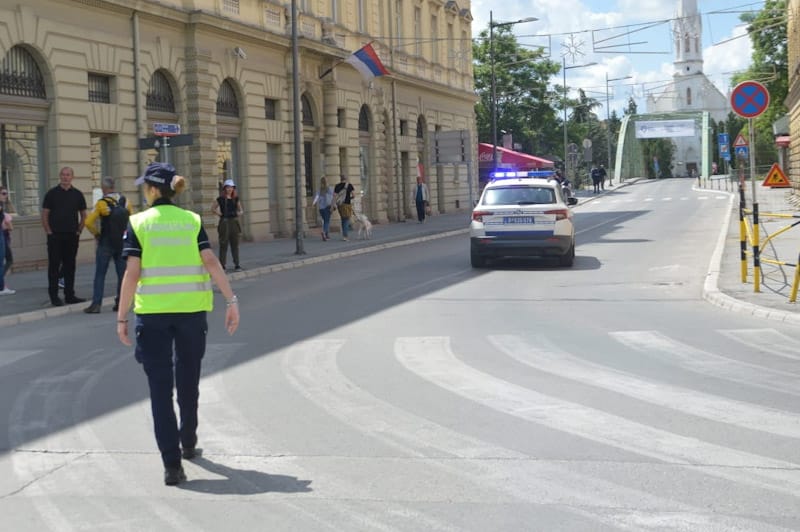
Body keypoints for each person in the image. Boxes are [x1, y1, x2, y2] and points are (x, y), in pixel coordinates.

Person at [116, 162, 240, 486]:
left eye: (146, 185)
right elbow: (210, 261)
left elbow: (132, 273)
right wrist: (231, 301)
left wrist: (121, 316)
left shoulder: (138, 223)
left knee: (160, 390)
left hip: (153, 316)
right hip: (191, 314)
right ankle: (188, 441)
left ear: (153, 189)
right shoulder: (192, 221)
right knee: (188, 380)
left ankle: (172, 466)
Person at [83, 177, 132, 314]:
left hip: (106, 241)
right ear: (114, 186)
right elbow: (132, 221)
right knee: (122, 275)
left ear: (104, 188)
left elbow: (88, 222)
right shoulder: (125, 201)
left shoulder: (102, 204)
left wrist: (97, 234)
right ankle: (120, 303)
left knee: (100, 274)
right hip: (122, 242)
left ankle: (96, 304)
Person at [41, 166, 87, 306]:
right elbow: (45, 214)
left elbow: (84, 214)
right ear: (60, 176)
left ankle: (69, 295)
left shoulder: (78, 194)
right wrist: (48, 231)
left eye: (68, 175)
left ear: (72, 177)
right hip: (55, 235)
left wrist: (79, 230)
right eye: (63, 174)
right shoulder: (51, 194)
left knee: (70, 266)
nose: (65, 177)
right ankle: (54, 296)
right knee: (54, 267)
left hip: (72, 235)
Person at [212, 179, 244, 271]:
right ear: (225, 188)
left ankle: (237, 264)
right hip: (224, 222)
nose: (229, 189)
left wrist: (238, 213)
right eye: (228, 187)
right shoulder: (220, 199)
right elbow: (213, 208)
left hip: (234, 221)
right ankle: (222, 265)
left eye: (231, 187)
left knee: (235, 244)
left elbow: (241, 210)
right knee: (223, 244)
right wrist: (220, 214)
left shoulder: (236, 199)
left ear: (233, 188)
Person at [0, 186, 14, 295]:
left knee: (5, 260)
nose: (6, 196)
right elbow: (9, 226)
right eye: (3, 193)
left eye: (6, 193)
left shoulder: (2, 206)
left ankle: (2, 286)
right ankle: (1, 287)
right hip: (1, 235)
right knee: (2, 261)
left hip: (3, 234)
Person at [333, 175, 355, 241]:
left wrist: (333, 204)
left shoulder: (337, 186)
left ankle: (344, 234)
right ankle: (345, 236)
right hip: (347, 204)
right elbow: (354, 195)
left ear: (341, 179)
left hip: (340, 204)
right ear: (346, 178)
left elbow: (334, 196)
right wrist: (350, 198)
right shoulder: (349, 185)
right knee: (346, 219)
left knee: (343, 219)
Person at [312, 176, 334, 241]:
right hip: (327, 207)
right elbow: (333, 197)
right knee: (327, 221)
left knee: (325, 221)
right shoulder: (329, 189)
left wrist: (313, 204)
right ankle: (324, 232)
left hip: (321, 208)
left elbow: (316, 197)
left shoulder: (320, 190)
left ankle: (327, 235)